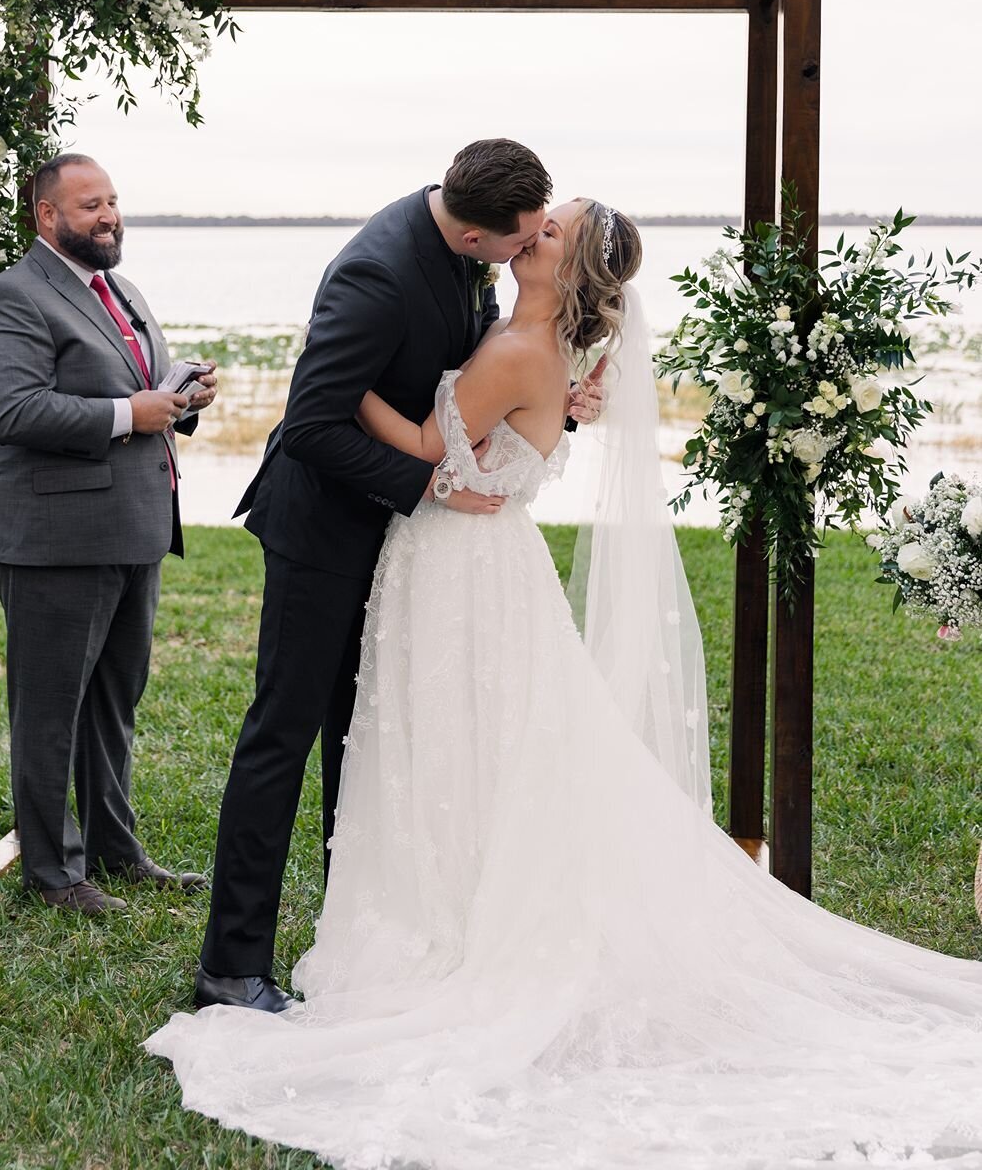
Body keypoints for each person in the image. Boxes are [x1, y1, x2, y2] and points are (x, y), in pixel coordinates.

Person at [150, 198, 982, 1169]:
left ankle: (431, 926)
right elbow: (502, 426)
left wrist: (318, 388)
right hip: (469, 561)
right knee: (456, 745)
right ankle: (407, 912)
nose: (530, 233)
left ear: (563, 263)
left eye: (548, 232)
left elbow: (429, 444)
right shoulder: (521, 332)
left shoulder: (516, 346)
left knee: (446, 740)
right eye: (529, 222)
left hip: (459, 568)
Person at [196, 139, 572, 1013]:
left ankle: (360, 930)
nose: (525, 253)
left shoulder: (473, 253)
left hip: (402, 545)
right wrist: (429, 482)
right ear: (474, 229)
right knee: (282, 734)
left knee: (364, 737)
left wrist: (552, 408)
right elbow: (314, 423)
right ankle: (229, 961)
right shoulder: (375, 273)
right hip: (323, 531)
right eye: (514, 244)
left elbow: (467, 379)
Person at [0, 153, 218, 916]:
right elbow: (12, 412)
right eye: (88, 207)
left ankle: (115, 849)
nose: (108, 216)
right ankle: (53, 873)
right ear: (47, 218)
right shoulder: (13, 296)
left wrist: (184, 399)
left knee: (114, 702)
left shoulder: (123, 290)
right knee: (49, 711)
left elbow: (142, 393)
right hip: (52, 535)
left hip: (133, 529)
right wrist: (125, 415)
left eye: (111, 201)